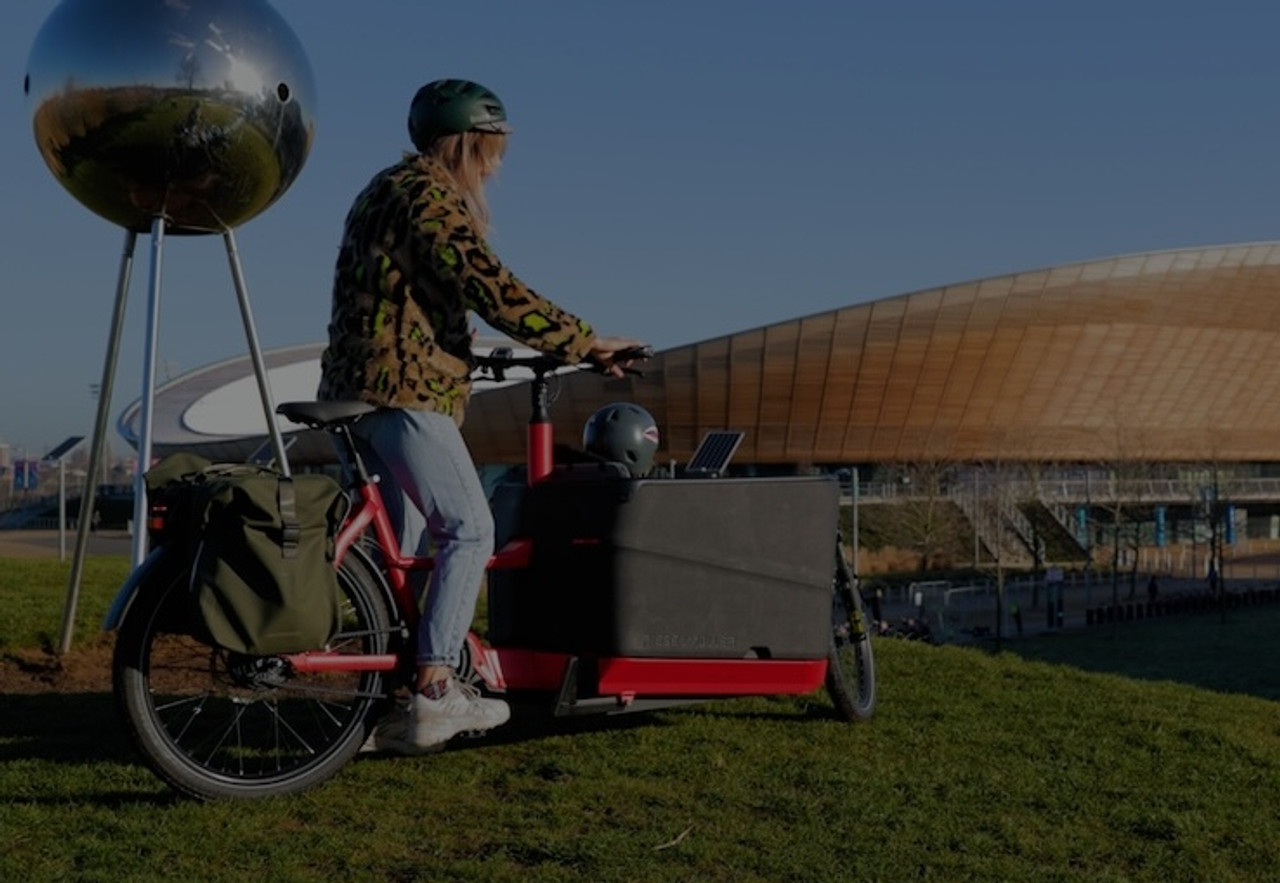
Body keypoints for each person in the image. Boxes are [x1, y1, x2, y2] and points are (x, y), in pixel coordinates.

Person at [318, 78, 644, 753]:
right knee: (470, 528)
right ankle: (437, 689)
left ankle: (388, 705)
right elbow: (487, 284)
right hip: (403, 391)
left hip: (358, 392)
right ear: (467, 144)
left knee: (401, 562)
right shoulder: (429, 196)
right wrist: (583, 340)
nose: (496, 165)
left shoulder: (383, 189)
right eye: (491, 151)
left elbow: (417, 296)